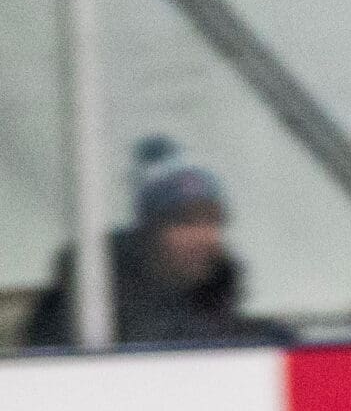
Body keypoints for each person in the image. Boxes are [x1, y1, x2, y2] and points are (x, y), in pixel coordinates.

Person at [22, 138, 284, 350]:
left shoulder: (221, 306)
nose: (203, 235)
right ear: (149, 232)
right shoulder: (82, 309)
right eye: (184, 221)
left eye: (212, 220)